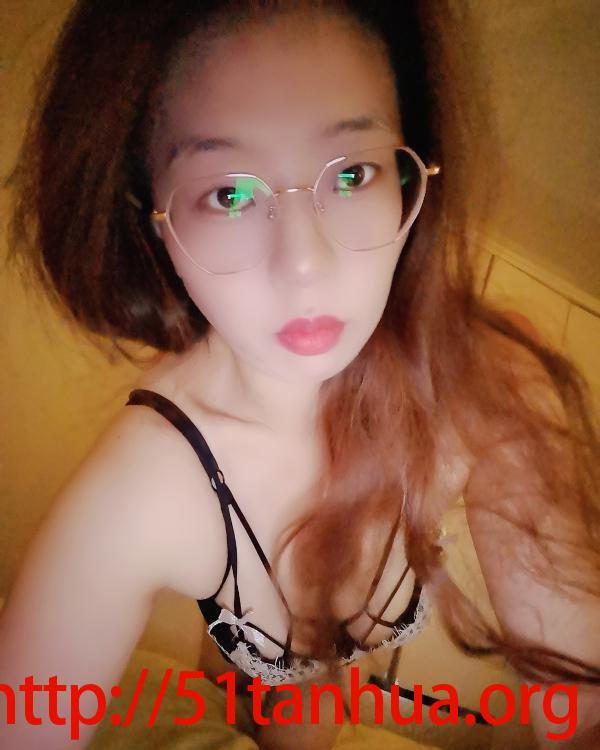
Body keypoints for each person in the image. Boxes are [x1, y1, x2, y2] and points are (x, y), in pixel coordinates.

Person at [1, 1, 599, 748]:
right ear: (150, 221)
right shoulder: (144, 490)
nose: (306, 265)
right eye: (229, 195)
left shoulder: (486, 384)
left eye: (351, 173)